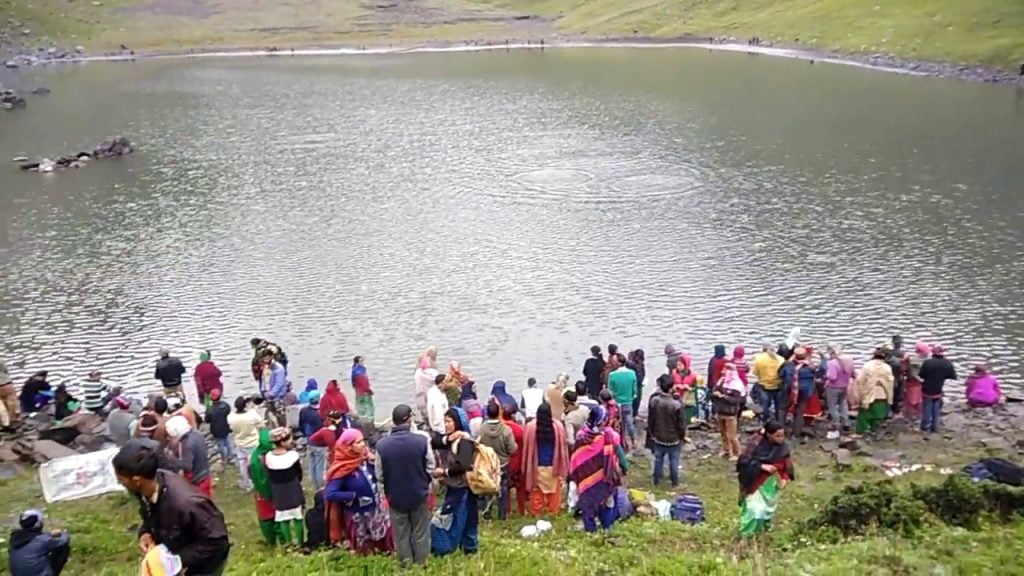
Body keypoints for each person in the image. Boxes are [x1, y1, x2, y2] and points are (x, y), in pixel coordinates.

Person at [113, 440, 230, 575]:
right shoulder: (145, 488)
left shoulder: (187, 504)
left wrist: (177, 560)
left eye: (121, 479)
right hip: (175, 551)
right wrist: (146, 532)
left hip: (204, 565)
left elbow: (217, 541)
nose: (120, 483)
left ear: (137, 480)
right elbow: (150, 511)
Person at [375, 404, 434, 567]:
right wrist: (425, 484)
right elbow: (430, 467)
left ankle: (406, 565)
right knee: (421, 532)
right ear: (408, 420)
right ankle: (422, 563)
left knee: (400, 533)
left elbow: (379, 475)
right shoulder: (422, 441)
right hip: (418, 493)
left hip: (395, 496)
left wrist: (386, 491)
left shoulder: (381, 445)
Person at [325, 428, 393, 554]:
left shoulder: (365, 460)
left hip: (376, 510)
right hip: (357, 514)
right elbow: (330, 493)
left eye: (363, 441)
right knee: (363, 547)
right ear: (348, 447)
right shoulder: (343, 467)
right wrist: (353, 496)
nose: (363, 445)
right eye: (358, 442)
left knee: (383, 541)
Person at [569, 406, 627, 533]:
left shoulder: (581, 435)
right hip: (604, 478)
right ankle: (606, 528)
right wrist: (623, 468)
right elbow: (615, 456)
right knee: (606, 502)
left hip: (585, 478)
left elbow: (576, 459)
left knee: (587, 504)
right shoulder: (607, 437)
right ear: (602, 421)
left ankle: (591, 531)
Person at [429, 407, 478, 556]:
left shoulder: (464, 442)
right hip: (455, 487)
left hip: (462, 489)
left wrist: (444, 472)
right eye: (445, 421)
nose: (446, 425)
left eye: (449, 421)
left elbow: (464, 465)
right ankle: (467, 549)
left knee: (453, 519)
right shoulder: (451, 440)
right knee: (463, 519)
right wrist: (448, 438)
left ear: (457, 423)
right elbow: (434, 442)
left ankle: (445, 548)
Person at [736, 421, 794, 537]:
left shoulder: (783, 448)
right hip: (756, 484)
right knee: (755, 510)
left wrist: (784, 479)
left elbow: (786, 466)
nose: (781, 439)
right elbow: (743, 463)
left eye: (782, 435)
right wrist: (761, 466)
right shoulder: (755, 446)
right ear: (768, 435)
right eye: (777, 436)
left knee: (767, 511)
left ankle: (761, 533)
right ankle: (746, 535)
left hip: (773, 486)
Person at [522, 402, 569, 516]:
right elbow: (563, 446)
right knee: (554, 490)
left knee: (537, 490)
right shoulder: (558, 426)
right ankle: (553, 510)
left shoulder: (530, 427)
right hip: (553, 463)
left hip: (536, 464)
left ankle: (536, 511)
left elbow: (526, 447)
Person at [264, 427, 305, 547]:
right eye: (289, 439)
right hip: (292, 488)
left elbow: (268, 473)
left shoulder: (268, 456)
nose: (291, 441)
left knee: (283, 517)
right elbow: (299, 473)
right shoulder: (293, 455)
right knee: (297, 516)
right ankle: (300, 543)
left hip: (278, 490)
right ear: (282, 442)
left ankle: (288, 543)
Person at [478, 400, 517, 520]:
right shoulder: (506, 430)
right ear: (499, 412)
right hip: (502, 464)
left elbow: (477, 445)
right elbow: (512, 449)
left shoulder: (482, 429)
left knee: (486, 488)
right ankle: (502, 515)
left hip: (487, 463)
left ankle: (486, 512)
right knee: (503, 489)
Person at [647, 375, 686, 487]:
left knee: (658, 459)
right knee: (674, 460)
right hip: (673, 438)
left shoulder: (654, 401)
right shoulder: (677, 404)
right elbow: (681, 424)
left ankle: (656, 480)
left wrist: (652, 433)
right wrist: (682, 436)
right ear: (671, 388)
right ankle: (674, 482)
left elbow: (651, 419)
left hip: (658, 436)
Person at [8, 509, 70, 576]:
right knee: (63, 548)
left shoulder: (15, 538)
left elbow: (36, 540)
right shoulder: (42, 540)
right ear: (38, 524)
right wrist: (63, 533)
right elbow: (64, 540)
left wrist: (48, 534)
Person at [165, 415, 213, 498]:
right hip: (205, 474)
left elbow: (187, 466)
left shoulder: (187, 444)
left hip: (197, 479)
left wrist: (172, 458)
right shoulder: (197, 435)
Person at [249, 429, 282, 545]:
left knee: (269, 517)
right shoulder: (259, 460)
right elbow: (261, 480)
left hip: (264, 493)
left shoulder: (256, 454)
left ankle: (275, 541)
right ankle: (275, 540)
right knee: (270, 518)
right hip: (267, 492)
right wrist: (269, 494)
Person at [853, 348, 894, 435]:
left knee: (864, 415)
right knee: (879, 415)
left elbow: (860, 380)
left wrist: (858, 394)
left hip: (868, 394)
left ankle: (862, 431)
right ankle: (875, 431)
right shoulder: (887, 367)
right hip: (882, 394)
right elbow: (890, 381)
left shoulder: (867, 366)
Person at [781, 347, 818, 439]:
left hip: (789, 390)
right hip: (804, 392)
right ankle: (795, 434)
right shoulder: (811, 367)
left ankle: (781, 430)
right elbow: (820, 372)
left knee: (783, 410)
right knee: (799, 413)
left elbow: (780, 374)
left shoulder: (788, 365)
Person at [919, 345, 957, 433]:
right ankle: (935, 427)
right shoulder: (947, 363)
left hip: (927, 388)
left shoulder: (927, 362)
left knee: (927, 406)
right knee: (936, 406)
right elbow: (953, 376)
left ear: (933, 353)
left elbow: (921, 375)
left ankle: (925, 425)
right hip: (938, 389)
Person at [228, 396, 263, 492]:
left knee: (242, 464)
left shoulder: (231, 417)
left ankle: (247, 483)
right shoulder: (251, 415)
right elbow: (261, 424)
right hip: (252, 443)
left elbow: (231, 428)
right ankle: (257, 482)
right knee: (254, 464)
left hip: (239, 443)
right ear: (245, 405)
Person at [713, 363, 746, 460]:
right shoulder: (721, 381)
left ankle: (737, 453)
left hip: (731, 413)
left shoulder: (737, 385)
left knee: (732, 435)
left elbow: (737, 400)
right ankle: (727, 450)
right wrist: (715, 393)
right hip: (720, 411)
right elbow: (715, 390)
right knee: (723, 432)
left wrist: (724, 397)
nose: (723, 371)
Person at [499, 403, 526, 517]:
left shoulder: (500, 428)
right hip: (517, 461)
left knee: (505, 488)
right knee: (520, 488)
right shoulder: (519, 429)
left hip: (504, 461)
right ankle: (521, 510)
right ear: (513, 416)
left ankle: (507, 510)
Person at [607, 354, 638, 447]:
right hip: (628, 402)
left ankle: (622, 442)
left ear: (619, 363)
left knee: (619, 425)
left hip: (617, 403)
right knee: (629, 422)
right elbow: (635, 390)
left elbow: (610, 391)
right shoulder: (632, 373)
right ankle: (633, 440)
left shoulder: (612, 375)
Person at [299, 391, 326, 491]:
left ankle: (315, 487)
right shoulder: (319, 414)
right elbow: (322, 430)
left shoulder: (303, 411)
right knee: (320, 467)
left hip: (309, 441)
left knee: (312, 466)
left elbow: (300, 425)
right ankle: (320, 488)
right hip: (319, 444)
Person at [824, 345, 855, 431]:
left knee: (832, 406)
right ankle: (846, 423)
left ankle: (836, 423)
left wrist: (827, 375)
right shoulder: (849, 361)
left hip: (833, 387)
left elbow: (833, 377)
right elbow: (854, 374)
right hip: (844, 386)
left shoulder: (831, 363)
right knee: (843, 404)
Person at [752, 342, 784, 424]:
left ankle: (765, 420)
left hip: (764, 385)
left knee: (765, 404)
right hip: (778, 385)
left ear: (763, 350)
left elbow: (755, 373)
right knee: (778, 405)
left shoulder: (758, 358)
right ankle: (779, 420)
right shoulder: (781, 359)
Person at [204, 389, 235, 466]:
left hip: (216, 430)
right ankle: (230, 457)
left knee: (220, 444)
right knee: (227, 442)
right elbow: (229, 412)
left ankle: (223, 459)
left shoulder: (209, 409)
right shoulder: (225, 405)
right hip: (225, 427)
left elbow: (207, 420)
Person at [259, 351, 288, 426]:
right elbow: (263, 379)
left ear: (272, 357)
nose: (265, 361)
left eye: (267, 358)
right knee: (268, 416)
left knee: (280, 416)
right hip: (268, 396)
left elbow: (279, 383)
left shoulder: (279, 368)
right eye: (264, 359)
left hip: (278, 397)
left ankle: (283, 431)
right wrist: (263, 390)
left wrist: (271, 393)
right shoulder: (265, 367)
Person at [903, 341, 930, 420]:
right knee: (918, 400)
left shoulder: (911, 359)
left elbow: (905, 369)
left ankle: (910, 415)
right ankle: (918, 415)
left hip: (912, 382)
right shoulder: (927, 361)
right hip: (920, 383)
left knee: (911, 399)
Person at [413, 347, 438, 425]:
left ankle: (426, 425)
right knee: (432, 417)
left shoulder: (417, 373)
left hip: (420, 398)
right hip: (430, 400)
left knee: (425, 416)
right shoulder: (434, 374)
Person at [886, 335, 907, 415]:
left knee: (890, 393)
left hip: (890, 375)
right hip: (898, 375)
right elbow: (905, 366)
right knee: (897, 393)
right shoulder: (902, 353)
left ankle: (889, 409)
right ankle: (896, 409)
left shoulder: (888, 353)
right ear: (900, 344)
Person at [626, 349, 646, 416]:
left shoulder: (638, 363)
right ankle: (634, 414)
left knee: (637, 399)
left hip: (638, 383)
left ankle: (635, 413)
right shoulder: (633, 364)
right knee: (636, 400)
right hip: (636, 384)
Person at [0, 361, 17, 430]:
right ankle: (12, 421)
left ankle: (5, 423)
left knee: (1, 406)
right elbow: (6, 371)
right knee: (10, 404)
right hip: (7, 383)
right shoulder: (1, 361)